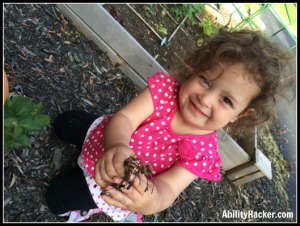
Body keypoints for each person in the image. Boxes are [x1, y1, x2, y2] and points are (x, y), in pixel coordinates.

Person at [46, 28, 293, 222]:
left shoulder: (203, 154)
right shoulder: (165, 92)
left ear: (240, 115)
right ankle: (85, 147)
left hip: (114, 182)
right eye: (205, 80)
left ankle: (92, 209)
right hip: (106, 138)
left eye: (226, 100)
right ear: (195, 69)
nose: (205, 99)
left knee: (56, 199)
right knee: (63, 122)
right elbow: (125, 119)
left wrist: (149, 201)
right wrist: (117, 146)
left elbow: (167, 189)